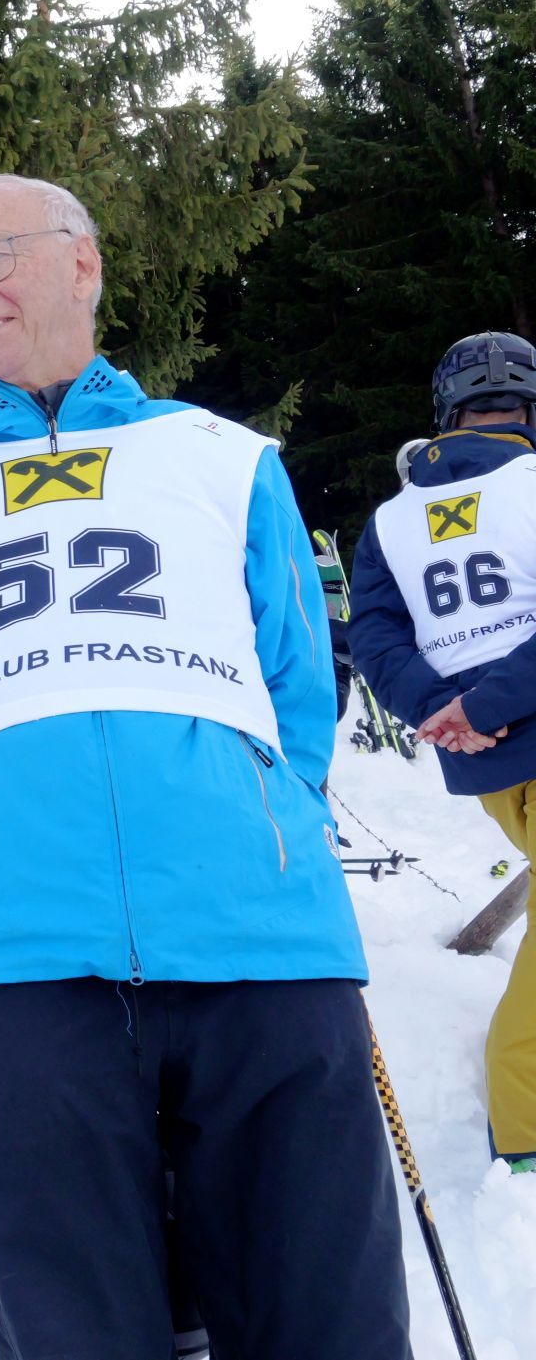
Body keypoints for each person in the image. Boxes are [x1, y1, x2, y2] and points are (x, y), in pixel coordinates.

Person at [0, 174, 411, 1357]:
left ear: (82, 262)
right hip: (17, 960)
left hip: (257, 942)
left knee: (324, 1319)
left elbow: (296, 682)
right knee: (75, 1329)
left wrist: (265, 825)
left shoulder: (222, 459)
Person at [348, 330, 536, 1173]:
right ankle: (524, 1124)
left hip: (488, 758)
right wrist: (484, 703)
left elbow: (375, 635)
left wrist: (443, 708)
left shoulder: (391, 521)